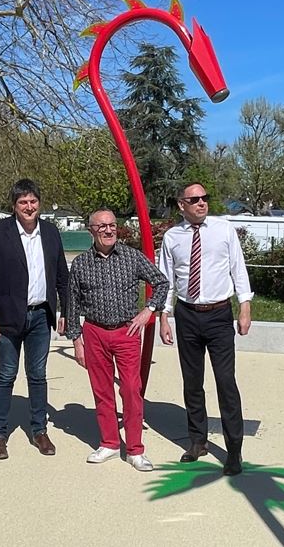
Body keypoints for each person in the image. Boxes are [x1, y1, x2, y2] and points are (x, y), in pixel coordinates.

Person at [157, 182, 253, 476]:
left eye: (204, 198)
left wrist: (245, 306)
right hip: (187, 315)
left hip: (219, 315)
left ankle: (233, 450)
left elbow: (238, 269)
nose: (201, 203)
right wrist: (164, 315)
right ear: (181, 205)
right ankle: (197, 441)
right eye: (194, 199)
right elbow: (167, 279)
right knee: (192, 382)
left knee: (226, 382)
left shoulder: (223, 229)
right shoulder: (172, 238)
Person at [65, 207, 169, 472]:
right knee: (102, 391)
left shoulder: (132, 257)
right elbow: (72, 304)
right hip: (94, 332)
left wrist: (148, 311)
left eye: (112, 225)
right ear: (91, 231)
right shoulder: (80, 264)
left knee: (132, 390)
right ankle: (109, 443)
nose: (109, 230)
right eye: (102, 226)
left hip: (127, 332)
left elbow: (161, 282)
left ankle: (135, 449)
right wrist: (76, 340)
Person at [0, 179, 69, 460]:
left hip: (41, 315)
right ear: (14, 206)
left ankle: (39, 430)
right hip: (5, 319)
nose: (29, 207)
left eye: (33, 201)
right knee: (6, 374)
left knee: (37, 375)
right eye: (23, 202)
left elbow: (62, 277)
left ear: (39, 202)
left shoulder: (50, 233)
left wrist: (64, 313)